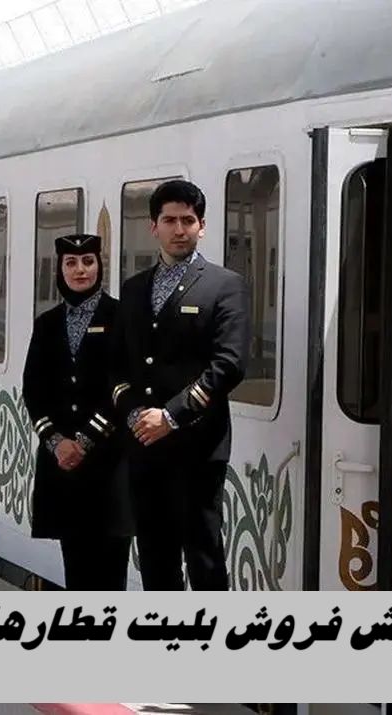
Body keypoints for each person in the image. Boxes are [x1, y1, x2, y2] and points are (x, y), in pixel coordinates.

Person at [108, 179, 251, 591]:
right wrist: (134, 414)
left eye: (188, 220)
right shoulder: (134, 289)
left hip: (197, 447)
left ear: (202, 226)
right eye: (169, 220)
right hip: (144, 445)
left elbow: (229, 365)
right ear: (154, 227)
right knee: (155, 558)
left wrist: (171, 416)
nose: (179, 229)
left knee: (204, 556)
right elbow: (117, 365)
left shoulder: (225, 285)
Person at [22, 233, 134, 590]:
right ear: (60, 269)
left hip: (109, 464)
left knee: (111, 568)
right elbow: (33, 390)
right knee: (76, 566)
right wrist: (56, 442)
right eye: (70, 263)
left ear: (100, 266)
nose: (80, 270)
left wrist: (84, 441)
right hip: (64, 467)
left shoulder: (121, 317)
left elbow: (125, 385)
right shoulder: (47, 323)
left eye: (88, 261)